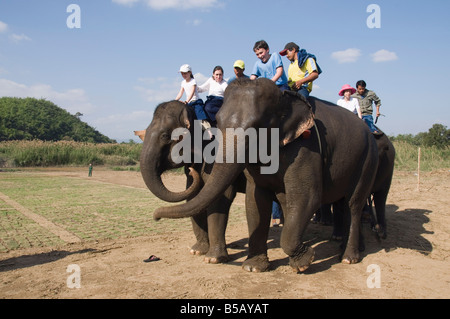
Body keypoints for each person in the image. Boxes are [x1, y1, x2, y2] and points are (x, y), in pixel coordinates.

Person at [175, 64, 210, 129]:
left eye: (185, 73)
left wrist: (186, 101)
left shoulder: (193, 81)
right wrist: (175, 100)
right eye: (182, 74)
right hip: (189, 103)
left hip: (196, 102)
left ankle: (208, 130)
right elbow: (180, 92)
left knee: (200, 115)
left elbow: (192, 92)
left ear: (190, 72)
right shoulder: (183, 82)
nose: (183, 75)